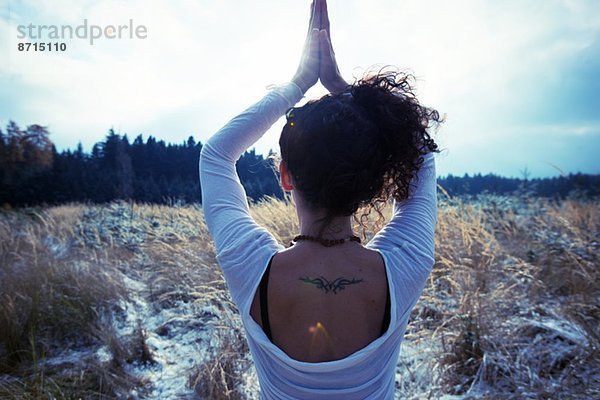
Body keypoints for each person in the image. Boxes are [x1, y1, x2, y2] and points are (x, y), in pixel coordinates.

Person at [199, 0, 441, 398]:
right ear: (374, 180)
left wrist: (298, 83)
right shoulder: (405, 266)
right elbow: (421, 152)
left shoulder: (249, 267)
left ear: (285, 175)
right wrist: (349, 93)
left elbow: (216, 154)